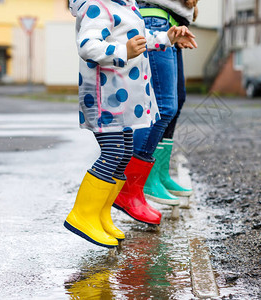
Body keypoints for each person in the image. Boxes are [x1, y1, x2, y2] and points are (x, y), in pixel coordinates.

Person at [65, 0, 197, 248]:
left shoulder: (126, 5)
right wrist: (122, 51)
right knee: (113, 152)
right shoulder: (98, 5)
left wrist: (167, 38)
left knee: (124, 153)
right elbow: (87, 46)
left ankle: (100, 215)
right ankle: (83, 215)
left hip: (122, 99)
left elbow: (140, 37)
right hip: (104, 97)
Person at [113, 0, 198, 225]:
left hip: (170, 22)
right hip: (155, 19)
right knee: (162, 106)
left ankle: (157, 175)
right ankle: (131, 186)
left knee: (175, 102)